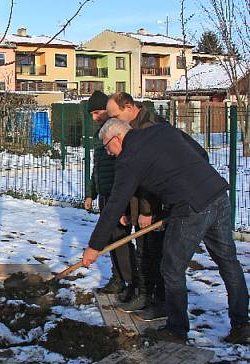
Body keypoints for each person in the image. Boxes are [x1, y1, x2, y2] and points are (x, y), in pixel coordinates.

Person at [81, 118, 249, 344]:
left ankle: (177, 330)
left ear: (117, 138)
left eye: (107, 146)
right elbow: (201, 153)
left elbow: (114, 205)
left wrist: (94, 246)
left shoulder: (128, 159)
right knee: (228, 262)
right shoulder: (162, 131)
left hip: (191, 208)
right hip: (217, 193)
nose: (109, 153)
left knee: (171, 268)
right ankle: (242, 325)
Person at [106, 92, 166, 317]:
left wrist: (146, 210)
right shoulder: (132, 129)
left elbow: (151, 176)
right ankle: (143, 294)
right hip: (140, 204)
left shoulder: (149, 128)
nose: (113, 121)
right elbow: (132, 179)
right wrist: (130, 209)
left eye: (115, 115)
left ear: (129, 107)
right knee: (143, 252)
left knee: (154, 254)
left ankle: (157, 300)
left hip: (155, 206)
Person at [84, 91, 136, 300]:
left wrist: (126, 207)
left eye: (97, 112)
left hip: (119, 197)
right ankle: (118, 279)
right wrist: (91, 193)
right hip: (106, 194)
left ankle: (133, 283)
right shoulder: (102, 135)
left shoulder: (120, 133)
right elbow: (97, 169)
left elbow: (127, 173)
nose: (94, 117)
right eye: (92, 114)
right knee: (110, 240)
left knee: (122, 242)